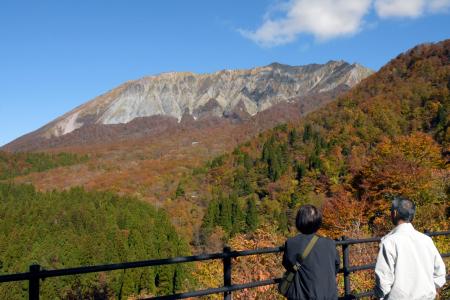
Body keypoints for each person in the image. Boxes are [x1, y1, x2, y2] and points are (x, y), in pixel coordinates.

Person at [374, 196, 446, 299]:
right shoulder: (426, 240)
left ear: (394, 213)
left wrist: (380, 296)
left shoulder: (389, 242)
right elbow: (440, 273)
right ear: (412, 215)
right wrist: (429, 288)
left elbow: (383, 283)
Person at [282, 204, 340, 299]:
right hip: (328, 295)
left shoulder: (292, 243)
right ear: (318, 222)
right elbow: (336, 266)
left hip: (304, 295)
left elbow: (287, 264)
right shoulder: (330, 243)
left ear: (299, 221)